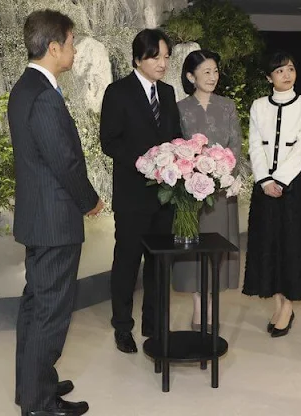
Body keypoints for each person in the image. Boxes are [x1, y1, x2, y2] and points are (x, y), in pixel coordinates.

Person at [8, 9, 103, 416]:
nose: (75, 50)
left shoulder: (25, 87)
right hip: (54, 222)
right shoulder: (45, 95)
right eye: (71, 42)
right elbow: (64, 161)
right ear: (53, 47)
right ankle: (41, 403)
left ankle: (32, 385)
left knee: (35, 305)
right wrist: (91, 201)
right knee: (49, 311)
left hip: (37, 219)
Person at [99, 29, 182, 354]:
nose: (162, 63)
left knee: (160, 264)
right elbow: (109, 140)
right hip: (133, 195)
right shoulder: (118, 92)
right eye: (155, 57)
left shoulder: (169, 92)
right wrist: (143, 163)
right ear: (138, 58)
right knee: (127, 262)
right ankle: (122, 326)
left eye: (165, 57)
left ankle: (154, 324)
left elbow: (174, 135)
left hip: (165, 197)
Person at [242, 51, 301, 338]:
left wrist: (281, 181)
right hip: (264, 186)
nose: (286, 75)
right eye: (279, 71)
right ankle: (277, 302)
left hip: (293, 186)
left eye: (290, 69)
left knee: (291, 245)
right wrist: (264, 180)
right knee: (268, 244)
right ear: (268, 77)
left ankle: (288, 306)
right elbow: (254, 144)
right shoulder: (258, 105)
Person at [171, 50, 242, 331]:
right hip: (189, 194)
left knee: (217, 247)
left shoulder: (228, 106)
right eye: (206, 72)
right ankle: (198, 307)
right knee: (193, 249)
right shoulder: (179, 108)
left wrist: (222, 173)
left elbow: (236, 145)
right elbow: (175, 146)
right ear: (191, 76)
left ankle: (211, 306)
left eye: (215, 71)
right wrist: (189, 174)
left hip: (221, 192)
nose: (213, 77)